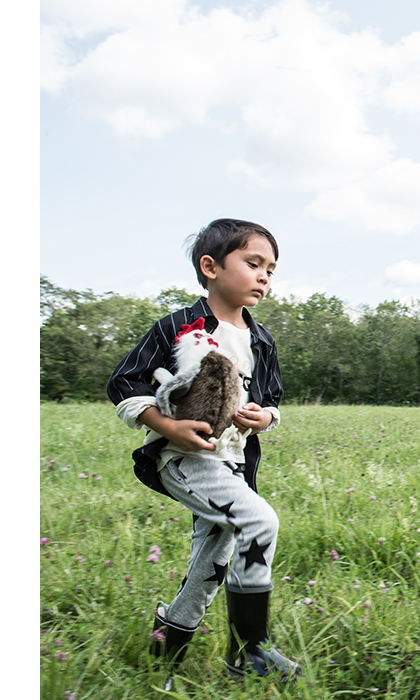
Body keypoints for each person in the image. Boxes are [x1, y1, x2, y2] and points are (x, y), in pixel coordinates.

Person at [107, 219, 301, 688]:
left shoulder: (262, 340)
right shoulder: (177, 326)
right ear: (209, 267)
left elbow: (273, 400)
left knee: (211, 564)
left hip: (234, 464)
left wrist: (263, 417)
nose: (264, 278)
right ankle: (248, 650)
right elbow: (123, 383)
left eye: (271, 270)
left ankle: (163, 649)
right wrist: (166, 423)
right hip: (185, 460)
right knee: (260, 522)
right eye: (253, 264)